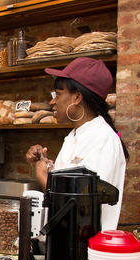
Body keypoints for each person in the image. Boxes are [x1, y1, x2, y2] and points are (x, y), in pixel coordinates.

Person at [26, 57, 128, 230]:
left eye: (57, 95)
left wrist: (44, 178)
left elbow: (82, 209)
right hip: (67, 245)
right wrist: (48, 168)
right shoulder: (75, 136)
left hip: (85, 250)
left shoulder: (103, 139)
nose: (52, 102)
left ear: (77, 97)